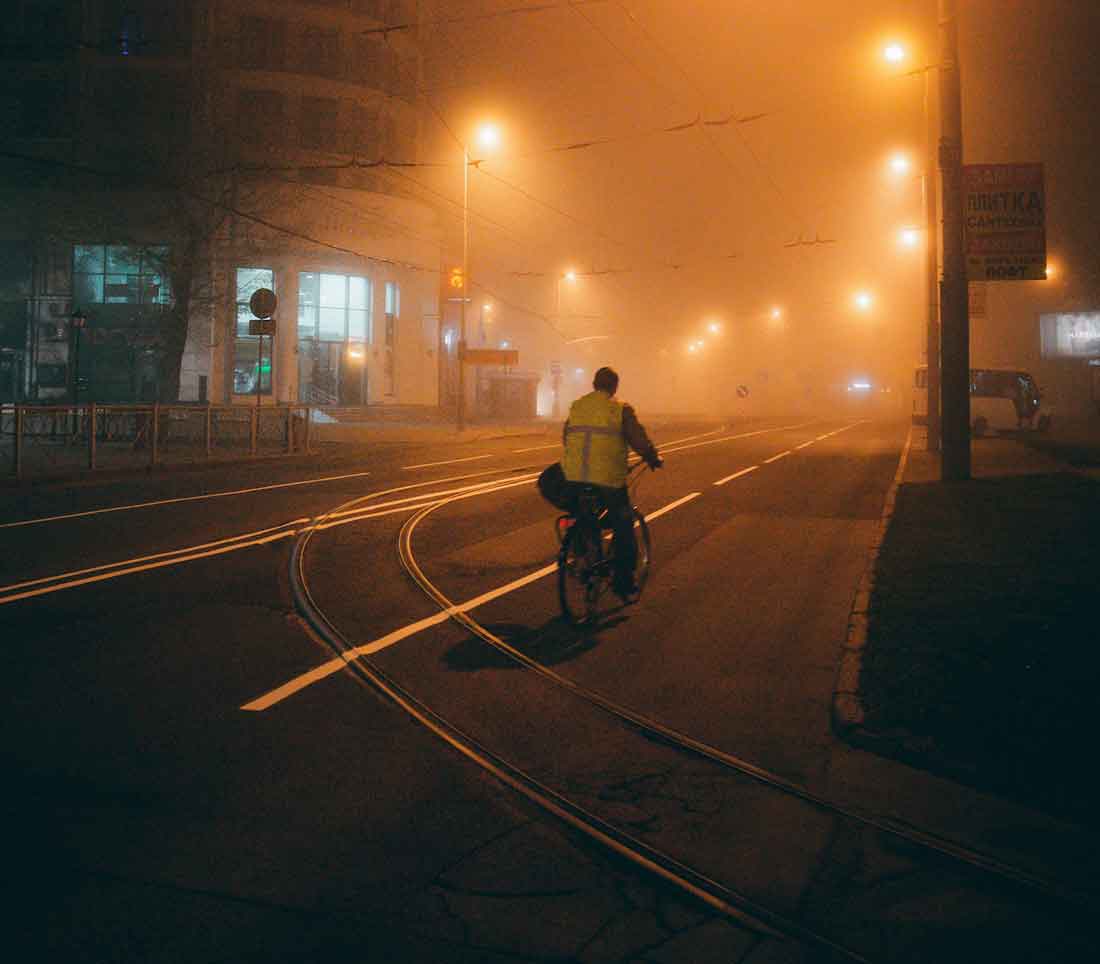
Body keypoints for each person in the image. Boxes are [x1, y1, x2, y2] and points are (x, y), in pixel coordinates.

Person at [562, 366, 662, 601]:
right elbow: (638, 440)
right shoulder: (620, 409)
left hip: (574, 476)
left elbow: (567, 436)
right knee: (623, 524)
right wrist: (652, 456)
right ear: (614, 386)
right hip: (608, 479)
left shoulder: (577, 406)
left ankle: (582, 556)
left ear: (594, 384)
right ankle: (624, 581)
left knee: (583, 514)